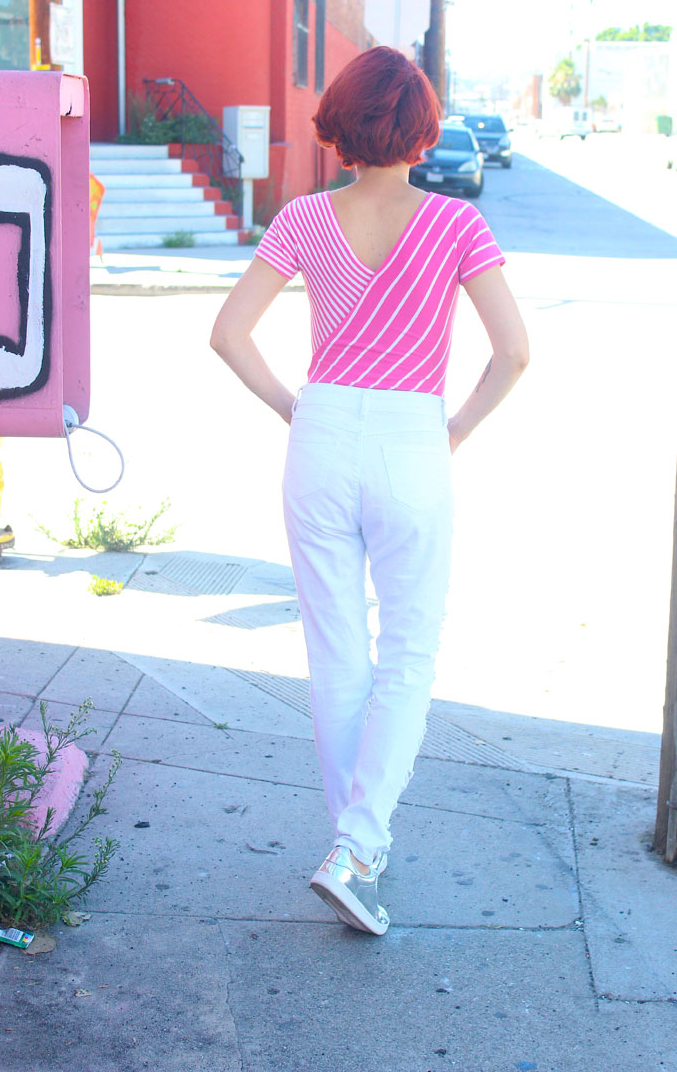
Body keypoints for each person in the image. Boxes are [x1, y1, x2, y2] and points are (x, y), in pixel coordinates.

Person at [210, 47, 528, 936]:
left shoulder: (303, 218)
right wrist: (454, 429)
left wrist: (295, 409)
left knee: (335, 649)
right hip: (410, 436)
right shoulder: (455, 225)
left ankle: (354, 847)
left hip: (320, 433)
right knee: (409, 651)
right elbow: (513, 353)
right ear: (421, 129)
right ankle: (357, 849)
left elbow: (229, 333)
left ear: (340, 124)